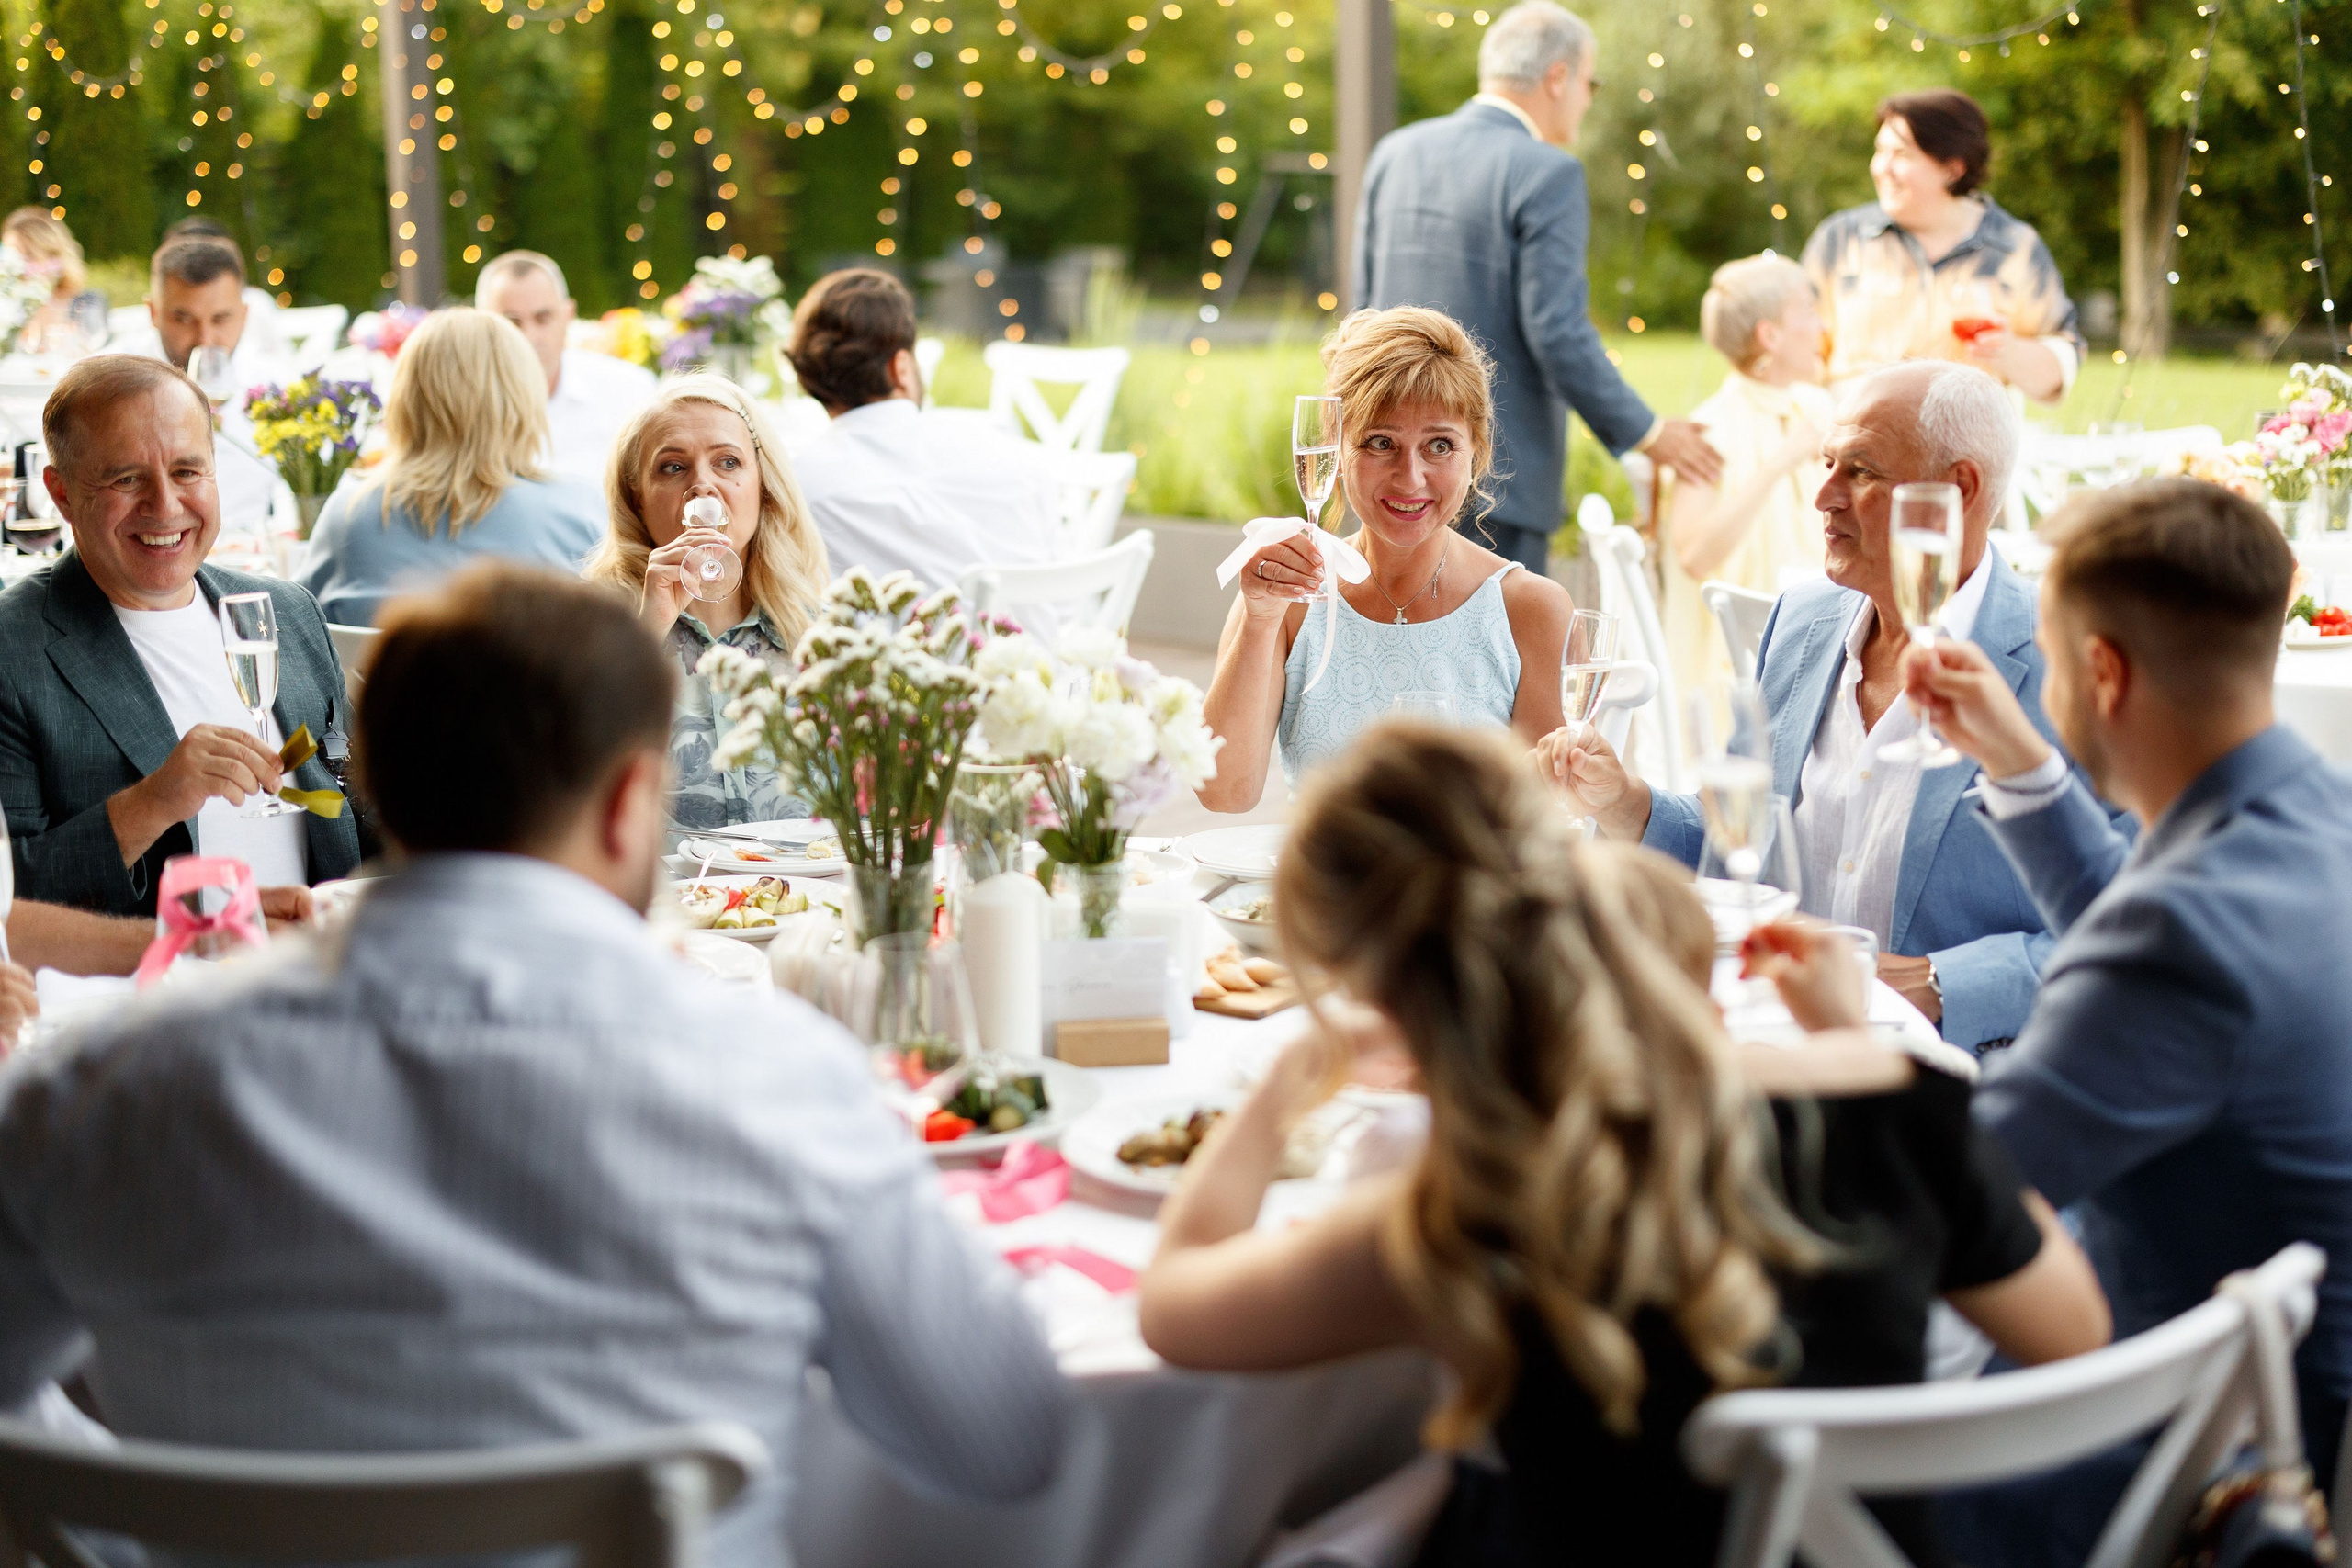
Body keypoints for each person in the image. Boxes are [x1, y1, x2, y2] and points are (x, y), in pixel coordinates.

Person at [0, 562, 1069, 1562]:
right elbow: (1005, 1440)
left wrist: (110, 1509)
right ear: (626, 801)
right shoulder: (778, 1082)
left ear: (380, 782)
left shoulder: (104, 1086)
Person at [1138, 723, 2106, 1568]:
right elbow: (2071, 1333)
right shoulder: (1895, 1098)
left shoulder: (1458, 1212)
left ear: (1368, 987)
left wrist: (1282, 1085)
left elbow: (1174, 1307)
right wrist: (1848, 1044)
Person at [1895, 479, 2352, 1562]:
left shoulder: (2178, 940)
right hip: (2260, 1361)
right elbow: (2144, 939)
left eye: (2050, 663)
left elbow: (1957, 1192)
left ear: (2100, 672)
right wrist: (2018, 759)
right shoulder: (2312, 813)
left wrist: (1838, 1060)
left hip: (2172, 1449)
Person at [1539, 361, 2090, 1053]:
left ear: (1959, 489)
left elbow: (2130, 933)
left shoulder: (2067, 662)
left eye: (1860, 471)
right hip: (1774, 1048)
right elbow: (1733, 849)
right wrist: (1625, 801)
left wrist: (1937, 983)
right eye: (1827, 463)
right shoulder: (1803, 621)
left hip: (1952, 1080)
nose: (1822, 495)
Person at [1351, 0, 1722, 574]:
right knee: (1497, 657)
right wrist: (1646, 432)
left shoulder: (1394, 154)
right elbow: (1556, 329)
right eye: (1589, 83)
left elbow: (1364, 317)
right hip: (1498, 476)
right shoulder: (1548, 172)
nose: (1587, 99)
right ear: (1557, 78)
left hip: (1387, 467)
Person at [0, 355, 360, 917]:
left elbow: (365, 810)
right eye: (127, 479)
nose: (165, 507)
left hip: (323, 974)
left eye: (187, 472)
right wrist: (153, 803)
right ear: (62, 492)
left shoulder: (287, 613)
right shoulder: (14, 648)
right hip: (145, 994)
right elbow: (11, 895)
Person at [1200, 306, 1571, 810]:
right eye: (1380, 443)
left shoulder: (1532, 612)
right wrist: (1261, 622)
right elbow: (1223, 792)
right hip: (1324, 884)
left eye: (1439, 445)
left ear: (1475, 453)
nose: (1411, 477)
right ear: (1336, 449)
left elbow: (1552, 820)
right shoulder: (1286, 597)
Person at [585, 376, 830, 840]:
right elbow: (559, 780)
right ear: (637, 497)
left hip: (804, 902)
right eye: (673, 468)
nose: (703, 486)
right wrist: (647, 629)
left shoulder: (818, 632)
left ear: (762, 485)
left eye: (728, 463)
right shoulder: (590, 628)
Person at [298, 308, 603, 626]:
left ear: (405, 398)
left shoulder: (348, 515)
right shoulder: (580, 511)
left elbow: (294, 632)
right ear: (523, 396)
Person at [785, 268, 1062, 611]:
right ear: (900, 367)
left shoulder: (797, 485)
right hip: (1040, 658)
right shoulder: (1008, 448)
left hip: (891, 662)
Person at [1803, 89, 2084, 405]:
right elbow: (1797, 353)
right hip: (1856, 441)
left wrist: (2010, 351)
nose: (1882, 168)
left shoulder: (2014, 247)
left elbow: (2059, 368)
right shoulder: (1840, 239)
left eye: (1902, 155)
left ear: (1953, 168)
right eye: (1880, 152)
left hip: (1964, 443)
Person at [1660, 254, 1835, 696]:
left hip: (1827, 639)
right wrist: (1780, 461)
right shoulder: (1710, 431)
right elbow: (1695, 555)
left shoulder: (1821, 410)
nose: (1822, 327)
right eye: (1810, 312)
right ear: (1769, 335)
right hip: (1740, 673)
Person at [113, 233, 294, 536]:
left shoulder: (277, 384)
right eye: (183, 319)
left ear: (245, 315)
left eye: (221, 319)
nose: (205, 339)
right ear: (153, 313)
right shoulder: (109, 388)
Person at [475, 250, 659, 487]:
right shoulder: (461, 403)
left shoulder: (630, 390)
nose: (529, 337)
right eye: (512, 322)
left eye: (543, 318)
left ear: (568, 315)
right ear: (481, 323)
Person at [0, 208, 107, 355]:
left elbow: (96, 350)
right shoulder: (6, 309)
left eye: (28, 254)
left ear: (53, 255)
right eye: (11, 255)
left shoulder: (88, 303)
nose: (17, 265)